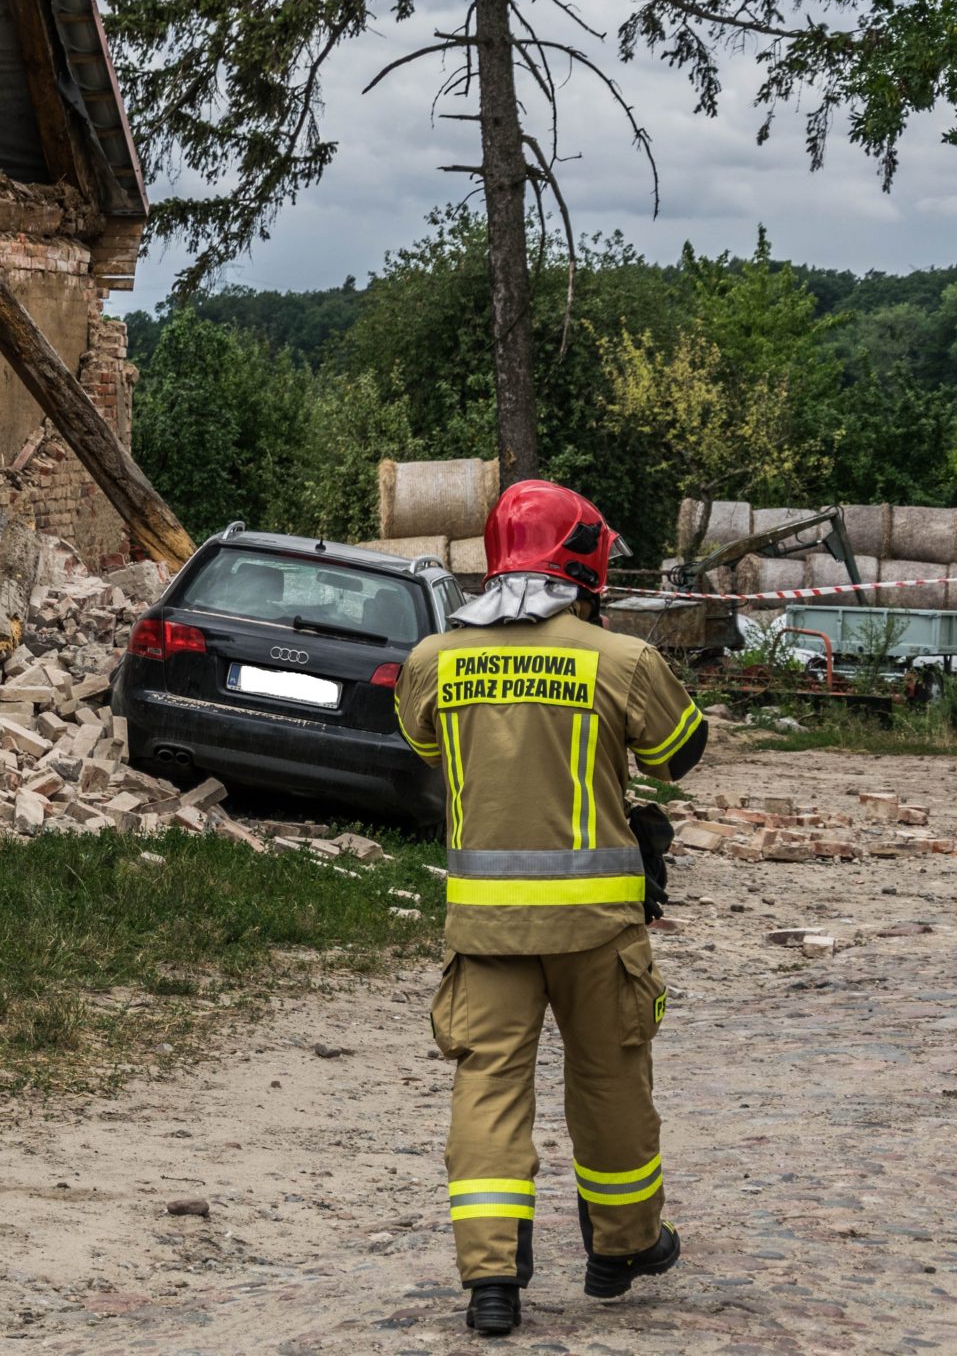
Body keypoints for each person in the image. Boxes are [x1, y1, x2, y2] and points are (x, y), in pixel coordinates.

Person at [394, 480, 707, 1338]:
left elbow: (422, 743)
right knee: (610, 1078)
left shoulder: (435, 659)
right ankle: (623, 1246)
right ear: (584, 566)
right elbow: (681, 750)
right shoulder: (619, 660)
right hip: (598, 928)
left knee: (488, 1088)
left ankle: (492, 1279)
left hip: (486, 929)